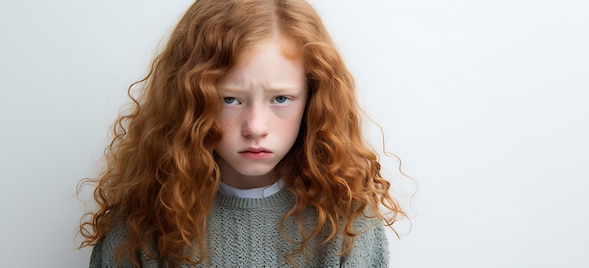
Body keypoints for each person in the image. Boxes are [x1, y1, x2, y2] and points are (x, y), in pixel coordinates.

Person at [79, 0, 405, 267]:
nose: (255, 128)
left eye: (281, 99)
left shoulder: (347, 226)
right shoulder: (140, 226)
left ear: (313, 99)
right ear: (190, 102)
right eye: (230, 99)